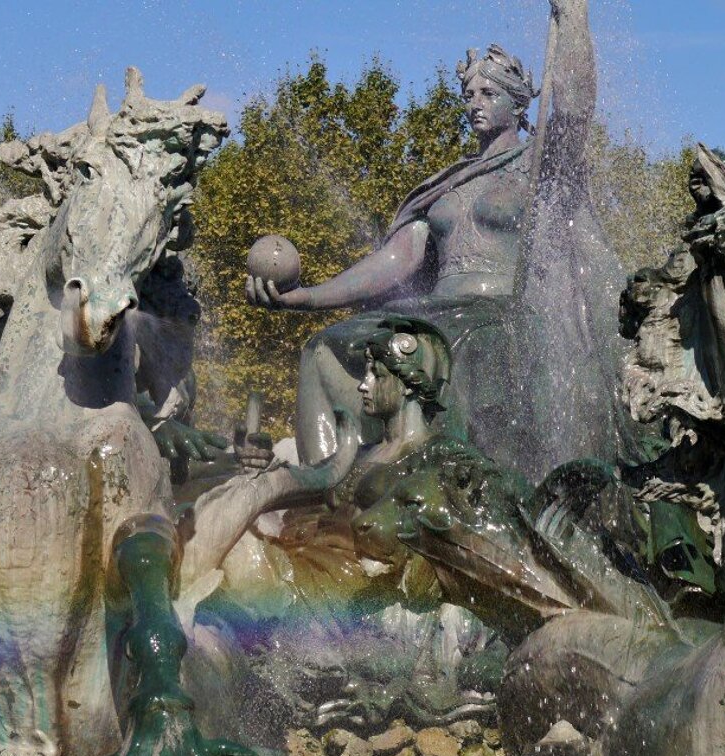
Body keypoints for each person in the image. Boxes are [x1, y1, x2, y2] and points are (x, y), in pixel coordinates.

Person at [246, 0, 622, 483]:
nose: (475, 102)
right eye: (468, 93)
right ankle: (326, 489)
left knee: (452, 350)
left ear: (517, 102)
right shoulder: (447, 185)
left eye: (488, 92)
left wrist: (573, 17)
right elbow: (395, 262)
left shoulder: (538, 167)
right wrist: (306, 298)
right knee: (323, 351)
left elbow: (572, 110)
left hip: (502, 317)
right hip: (436, 314)